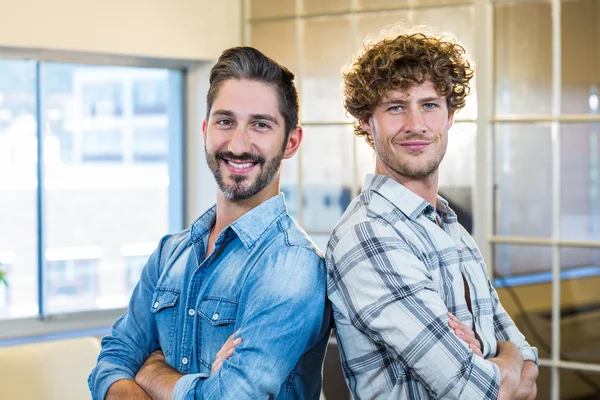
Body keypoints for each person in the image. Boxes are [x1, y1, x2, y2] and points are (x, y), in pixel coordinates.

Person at [88, 46, 330, 400]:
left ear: (291, 142)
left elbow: (231, 396)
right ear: (205, 130)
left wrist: (152, 372)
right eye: (225, 121)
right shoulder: (171, 252)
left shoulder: (292, 265)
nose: (237, 143)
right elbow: (111, 363)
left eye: (260, 125)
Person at [325, 30, 539, 399]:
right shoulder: (368, 234)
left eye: (429, 105)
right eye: (395, 107)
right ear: (365, 121)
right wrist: (507, 359)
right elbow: (476, 392)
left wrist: (504, 361)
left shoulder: (452, 229)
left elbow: (530, 380)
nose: (415, 124)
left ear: (450, 115)